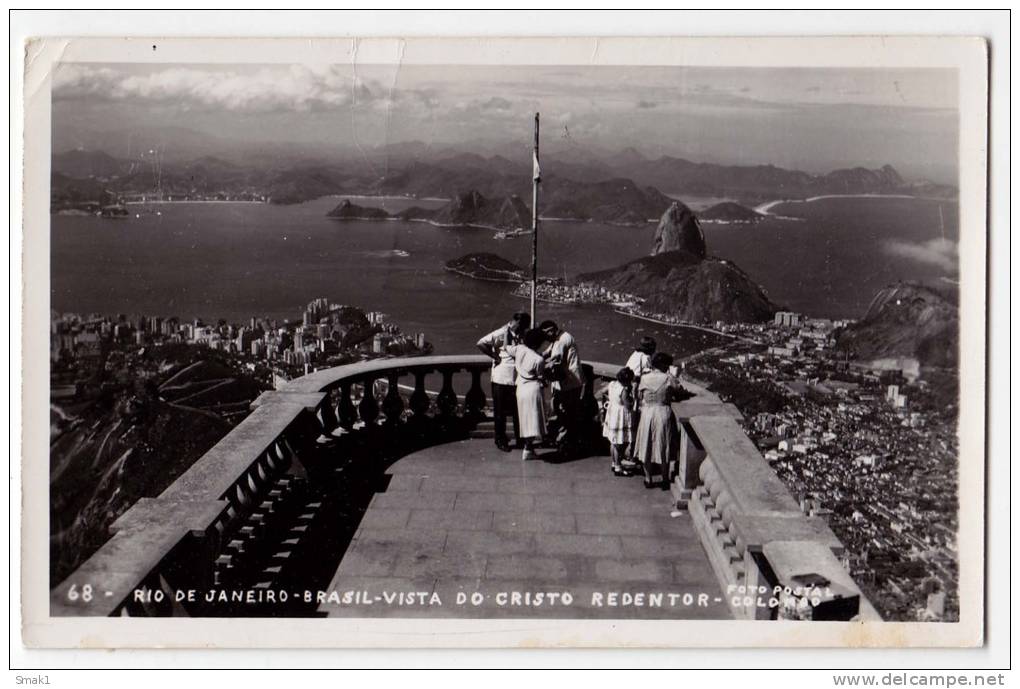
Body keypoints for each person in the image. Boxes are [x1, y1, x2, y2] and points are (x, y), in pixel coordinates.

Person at [476, 312, 530, 451]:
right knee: (500, 412)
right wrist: (494, 356)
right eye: (523, 325)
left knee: (518, 412)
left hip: (516, 378)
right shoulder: (500, 333)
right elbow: (481, 343)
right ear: (516, 322)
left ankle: (520, 439)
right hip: (501, 378)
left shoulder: (522, 335)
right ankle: (500, 440)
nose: (524, 328)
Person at [632, 352, 687, 489]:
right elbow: (680, 391)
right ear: (664, 365)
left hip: (647, 413)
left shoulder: (644, 378)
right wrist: (675, 375)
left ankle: (648, 478)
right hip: (663, 412)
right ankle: (664, 478)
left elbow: (639, 395)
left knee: (646, 446)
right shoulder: (668, 378)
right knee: (664, 446)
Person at [539, 320, 584, 458]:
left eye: (545, 334)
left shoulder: (561, 341)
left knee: (566, 415)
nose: (545, 338)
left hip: (569, 384)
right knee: (564, 414)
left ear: (551, 330)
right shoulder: (559, 338)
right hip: (567, 383)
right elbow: (547, 353)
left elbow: (555, 360)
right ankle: (565, 442)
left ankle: (567, 444)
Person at [505, 328, 549, 461]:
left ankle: (528, 446)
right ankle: (528, 448)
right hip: (533, 388)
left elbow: (507, 347)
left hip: (521, 388)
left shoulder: (519, 349)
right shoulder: (538, 359)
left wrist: (507, 334)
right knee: (534, 421)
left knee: (525, 420)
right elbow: (541, 377)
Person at [602, 367, 635, 476]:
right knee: (619, 444)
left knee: (613, 441)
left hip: (612, 413)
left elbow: (603, 392)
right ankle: (618, 467)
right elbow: (628, 405)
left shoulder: (612, 384)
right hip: (620, 416)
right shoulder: (623, 390)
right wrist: (633, 400)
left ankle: (614, 462)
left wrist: (611, 399)